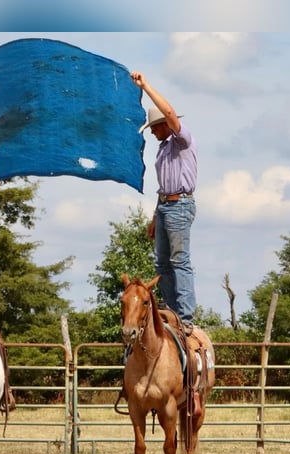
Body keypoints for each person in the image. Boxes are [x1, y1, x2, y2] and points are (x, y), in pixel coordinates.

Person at [131, 70, 197, 336]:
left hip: (180, 205)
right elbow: (163, 188)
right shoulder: (162, 149)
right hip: (166, 205)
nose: (153, 132)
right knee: (162, 264)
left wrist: (145, 85)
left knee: (180, 260)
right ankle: (170, 310)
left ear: (165, 125)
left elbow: (169, 112)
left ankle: (185, 316)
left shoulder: (182, 140)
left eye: (155, 127)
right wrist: (155, 217)